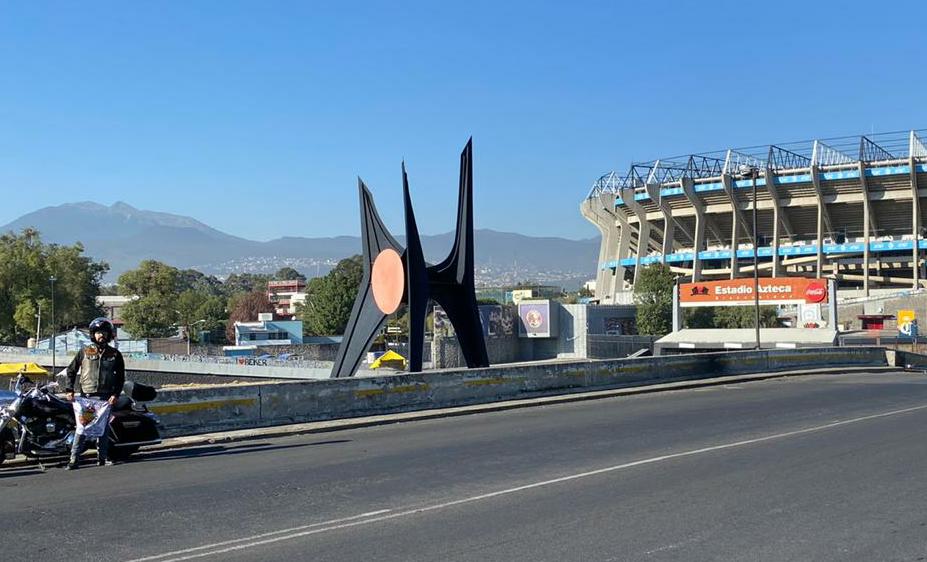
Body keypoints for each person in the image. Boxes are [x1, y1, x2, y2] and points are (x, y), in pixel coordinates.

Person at [65, 317, 125, 469]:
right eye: (98, 332)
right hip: (87, 397)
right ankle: (74, 460)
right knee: (82, 428)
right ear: (93, 334)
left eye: (104, 332)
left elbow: (120, 377)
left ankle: (102, 458)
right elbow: (71, 370)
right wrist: (69, 389)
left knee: (103, 430)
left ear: (109, 334)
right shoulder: (85, 351)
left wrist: (115, 394)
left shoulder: (115, 354)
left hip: (105, 398)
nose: (101, 335)